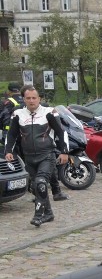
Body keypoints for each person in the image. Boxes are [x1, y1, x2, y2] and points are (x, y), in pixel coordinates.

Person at [3, 85, 69, 227]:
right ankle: (49, 213)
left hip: (46, 155)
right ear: (24, 99)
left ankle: (38, 215)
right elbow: (12, 134)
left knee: (40, 182)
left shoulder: (49, 112)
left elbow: (61, 132)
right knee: (36, 187)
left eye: (34, 98)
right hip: (29, 157)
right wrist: (9, 151)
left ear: (39, 98)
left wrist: (64, 151)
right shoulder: (18, 114)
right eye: (28, 98)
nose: (32, 101)